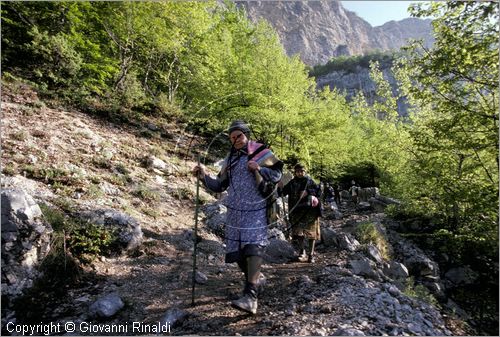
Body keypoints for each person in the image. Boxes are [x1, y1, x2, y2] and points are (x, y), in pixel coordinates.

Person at [192, 120, 283, 315]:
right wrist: (203, 176)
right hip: (234, 210)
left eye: (239, 136)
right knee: (239, 253)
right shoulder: (230, 159)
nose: (236, 140)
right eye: (232, 138)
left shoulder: (261, 152)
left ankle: (251, 297)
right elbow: (219, 185)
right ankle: (256, 279)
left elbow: (278, 175)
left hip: (256, 207)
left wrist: (259, 169)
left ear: (246, 135)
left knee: (253, 246)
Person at [280, 163, 321, 263]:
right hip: (296, 211)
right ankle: (302, 251)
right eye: (297, 171)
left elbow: (318, 192)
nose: (300, 173)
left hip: (310, 212)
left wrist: (309, 192)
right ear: (295, 172)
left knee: (312, 233)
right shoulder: (292, 182)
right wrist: (280, 187)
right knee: (299, 233)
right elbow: (283, 192)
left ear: (305, 171)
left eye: (301, 171)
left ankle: (311, 254)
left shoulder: (310, 181)